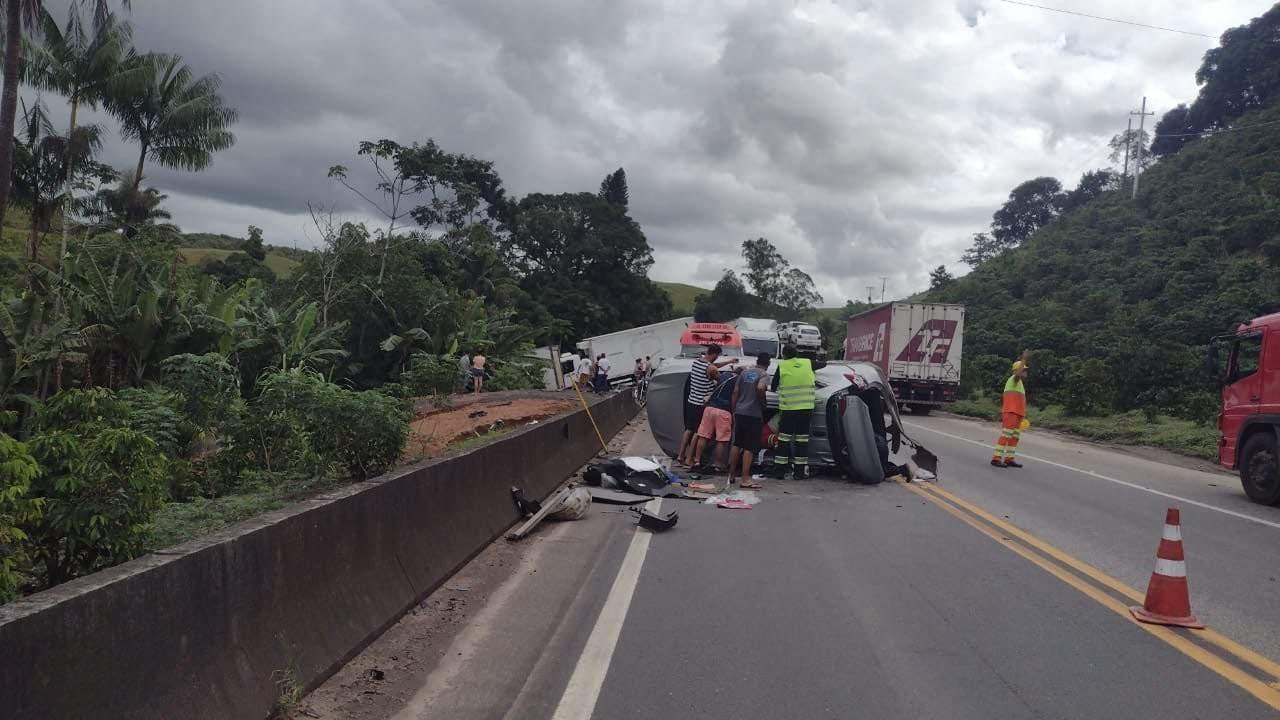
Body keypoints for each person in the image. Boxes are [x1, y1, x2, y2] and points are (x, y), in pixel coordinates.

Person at [675, 344, 738, 466]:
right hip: (701, 403)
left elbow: (713, 367)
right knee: (699, 432)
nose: (716, 358)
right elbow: (720, 380)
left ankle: (681, 455)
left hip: (691, 401)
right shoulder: (711, 369)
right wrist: (733, 371)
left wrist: (729, 361)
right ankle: (689, 458)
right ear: (714, 354)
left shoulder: (697, 362)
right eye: (717, 356)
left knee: (689, 429)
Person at [770, 344, 816, 479]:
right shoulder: (808, 363)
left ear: (784, 355)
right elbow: (823, 364)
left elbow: (773, 386)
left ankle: (779, 472)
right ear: (796, 354)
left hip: (789, 410)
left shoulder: (783, 365)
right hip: (805, 410)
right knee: (802, 442)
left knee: (783, 441)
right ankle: (799, 474)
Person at [727, 352, 771, 488]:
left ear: (757, 360)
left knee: (737, 443)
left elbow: (735, 392)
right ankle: (745, 479)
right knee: (749, 446)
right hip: (753, 414)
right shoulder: (764, 375)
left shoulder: (745, 373)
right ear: (768, 364)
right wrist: (763, 401)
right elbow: (760, 388)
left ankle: (732, 475)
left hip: (740, 412)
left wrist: (734, 410)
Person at [691, 368, 739, 472]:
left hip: (709, 409)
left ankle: (697, 461)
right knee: (721, 440)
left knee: (703, 436)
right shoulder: (733, 377)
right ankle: (717, 464)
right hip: (724, 411)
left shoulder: (721, 379)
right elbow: (735, 393)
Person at [992, 356, 1029, 468]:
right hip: (1011, 412)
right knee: (1006, 435)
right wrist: (1024, 360)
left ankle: (1009, 459)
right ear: (1017, 370)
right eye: (1023, 369)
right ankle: (996, 459)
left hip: (1018, 414)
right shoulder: (1014, 379)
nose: (1025, 371)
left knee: (1014, 438)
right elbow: (1018, 374)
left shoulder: (1020, 384)